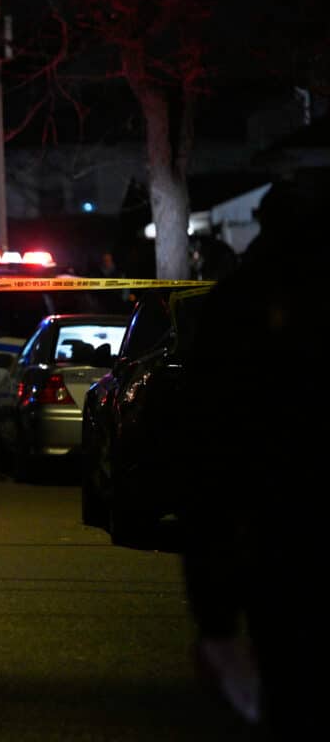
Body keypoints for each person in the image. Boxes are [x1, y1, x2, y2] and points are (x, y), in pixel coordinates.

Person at [179, 175, 320, 737]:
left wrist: (213, 611)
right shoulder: (246, 305)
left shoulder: (236, 305)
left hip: (275, 533)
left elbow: (210, 449)